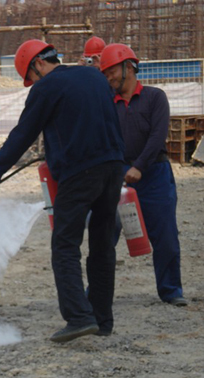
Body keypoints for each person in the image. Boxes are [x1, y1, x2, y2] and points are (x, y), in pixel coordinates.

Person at [0, 39, 125, 342]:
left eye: (31, 77)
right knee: (101, 246)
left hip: (80, 172)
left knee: (64, 245)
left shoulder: (46, 87)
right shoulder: (94, 76)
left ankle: (79, 317)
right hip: (113, 168)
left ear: (37, 64)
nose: (32, 82)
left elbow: (23, 133)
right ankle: (102, 319)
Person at [100, 43, 187, 307]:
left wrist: (139, 166)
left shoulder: (154, 97)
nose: (109, 77)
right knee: (105, 234)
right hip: (119, 174)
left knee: (166, 236)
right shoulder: (107, 104)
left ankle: (171, 291)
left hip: (154, 174)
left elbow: (157, 136)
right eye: (104, 73)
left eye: (112, 71)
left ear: (129, 67)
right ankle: (97, 293)